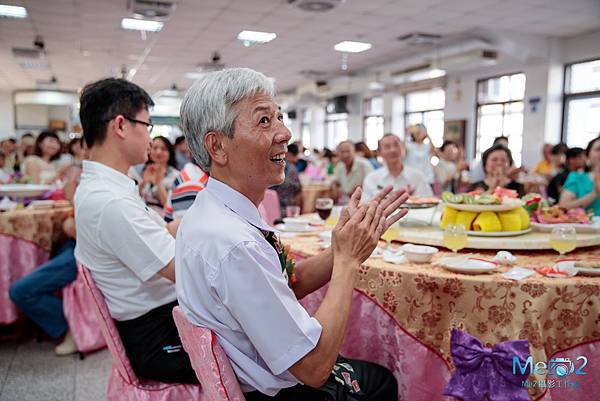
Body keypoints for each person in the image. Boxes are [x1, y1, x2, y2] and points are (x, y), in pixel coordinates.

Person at [177, 67, 407, 400]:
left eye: (280, 118)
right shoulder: (232, 243)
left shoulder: (214, 208)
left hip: (259, 370)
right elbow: (314, 368)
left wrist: (344, 246)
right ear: (217, 146)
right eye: (264, 121)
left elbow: (283, 281)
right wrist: (347, 262)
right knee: (383, 380)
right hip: (276, 392)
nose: (285, 133)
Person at [74, 78, 196, 383]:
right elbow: (184, 271)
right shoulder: (111, 202)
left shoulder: (104, 188)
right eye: (147, 125)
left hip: (159, 319)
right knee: (264, 359)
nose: (149, 137)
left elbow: (160, 233)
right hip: (158, 336)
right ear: (121, 125)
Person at [8, 141, 88, 356]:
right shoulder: (85, 176)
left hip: (83, 250)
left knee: (20, 290)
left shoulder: (113, 183)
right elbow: (74, 216)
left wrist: (71, 225)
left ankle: (71, 327)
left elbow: (82, 229)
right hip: (73, 244)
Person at [363, 133, 432, 200]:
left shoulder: (417, 176)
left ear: (402, 148)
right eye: (387, 147)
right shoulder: (371, 179)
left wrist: (411, 198)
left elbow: (428, 200)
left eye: (396, 145)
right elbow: (365, 204)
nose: (393, 150)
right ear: (379, 153)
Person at [130, 136, 179, 215]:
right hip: (142, 215)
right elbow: (133, 198)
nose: (158, 152)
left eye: (163, 149)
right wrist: (143, 182)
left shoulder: (176, 176)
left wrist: (158, 183)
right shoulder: (142, 170)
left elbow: (170, 206)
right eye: (155, 148)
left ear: (170, 153)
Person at [559, 136, 600, 216]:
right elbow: (562, 207)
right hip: (585, 228)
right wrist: (594, 193)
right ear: (587, 156)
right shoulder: (577, 177)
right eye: (598, 149)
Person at [274, 143, 302, 217]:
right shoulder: (292, 168)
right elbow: (298, 190)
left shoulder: (276, 165)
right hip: (288, 209)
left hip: (272, 208)